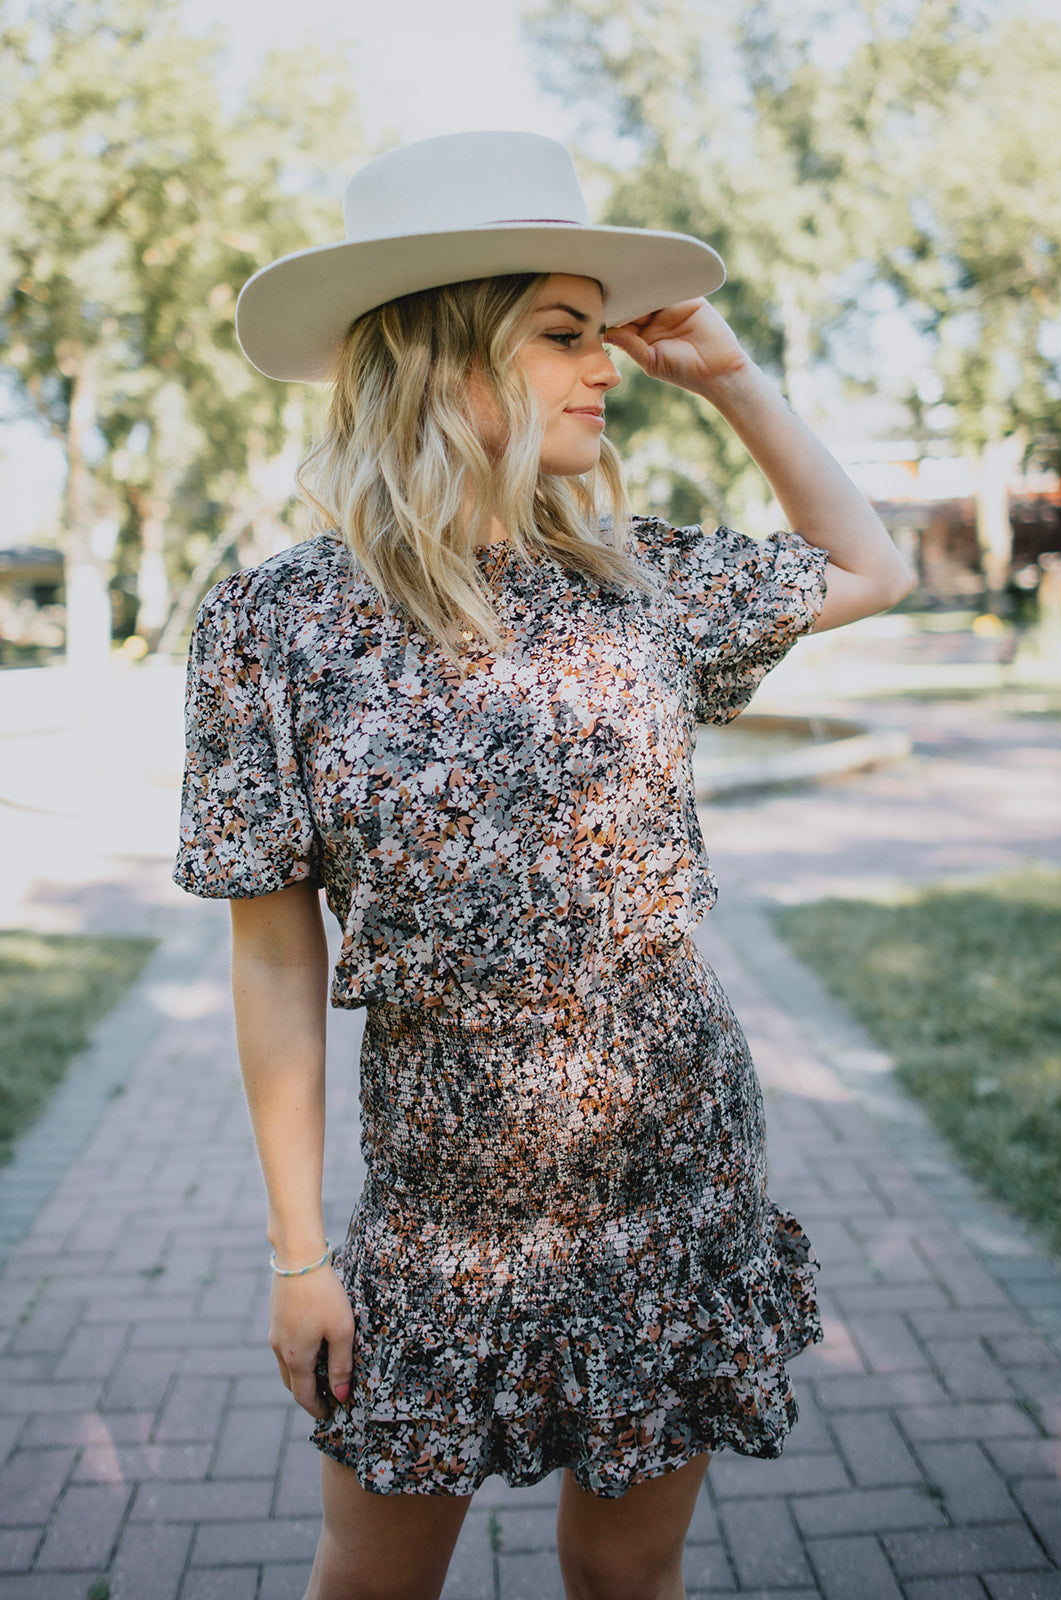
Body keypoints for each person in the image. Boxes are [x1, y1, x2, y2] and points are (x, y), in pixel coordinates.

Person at [173, 131, 913, 1600]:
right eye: (565, 334)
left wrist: (733, 378)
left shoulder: (635, 581)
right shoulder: (273, 624)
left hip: (676, 1169)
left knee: (626, 1578)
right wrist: (298, 1255)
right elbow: (272, 952)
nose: (608, 368)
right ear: (443, 358)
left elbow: (869, 569)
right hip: (444, 1208)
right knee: (371, 1581)